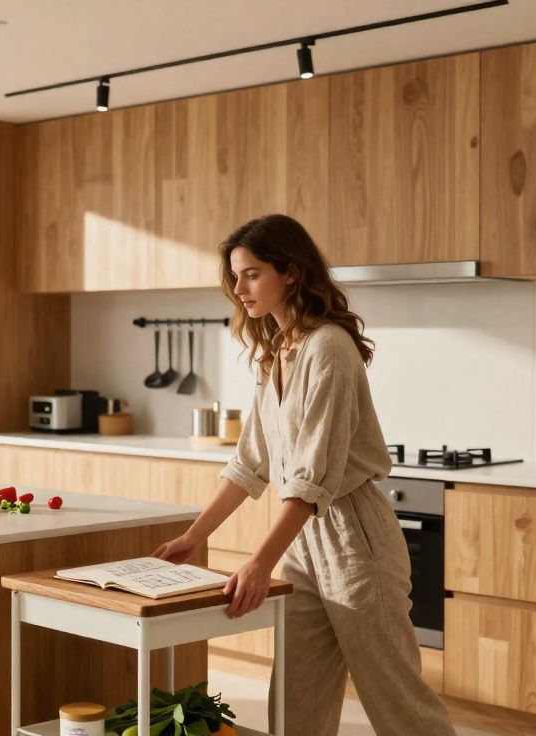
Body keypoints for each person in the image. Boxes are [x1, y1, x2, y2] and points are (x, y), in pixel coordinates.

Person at [151, 214, 456, 736]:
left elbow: (312, 481)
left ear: (290, 273)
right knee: (295, 708)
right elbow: (250, 463)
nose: (239, 288)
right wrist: (194, 536)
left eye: (251, 274)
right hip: (303, 548)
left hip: (356, 543)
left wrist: (257, 561)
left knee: (399, 706)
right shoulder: (276, 354)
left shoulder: (329, 349)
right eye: (235, 276)